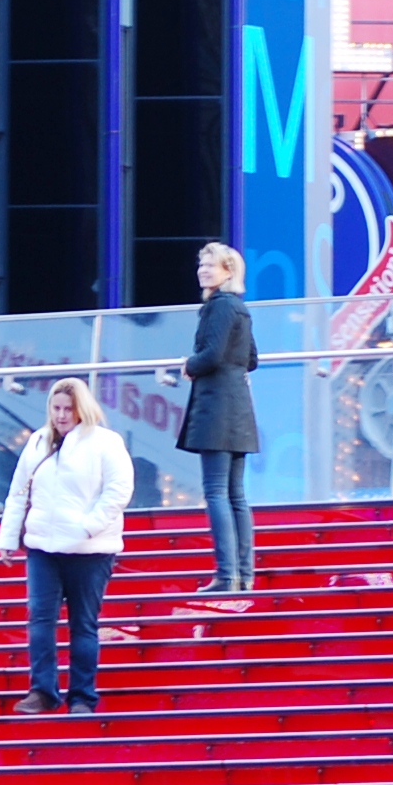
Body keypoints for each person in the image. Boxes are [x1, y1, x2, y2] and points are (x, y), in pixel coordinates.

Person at [0, 374, 128, 717]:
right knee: (40, 619)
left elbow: (118, 490)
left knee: (83, 623)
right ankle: (42, 690)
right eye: (56, 408)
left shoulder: (106, 442)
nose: (61, 415)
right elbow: (18, 492)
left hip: (91, 550)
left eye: (68, 408)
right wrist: (8, 538)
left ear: (81, 409)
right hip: (43, 546)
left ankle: (82, 696)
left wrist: (88, 527)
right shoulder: (39, 441)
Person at [178, 243, 263, 596]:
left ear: (228, 271)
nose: (203, 270)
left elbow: (210, 355)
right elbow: (252, 359)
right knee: (235, 494)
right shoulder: (239, 309)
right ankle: (243, 574)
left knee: (216, 492)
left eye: (210, 265)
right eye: (201, 264)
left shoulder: (218, 307)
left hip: (216, 409)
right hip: (239, 410)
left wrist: (189, 365)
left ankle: (227, 575)